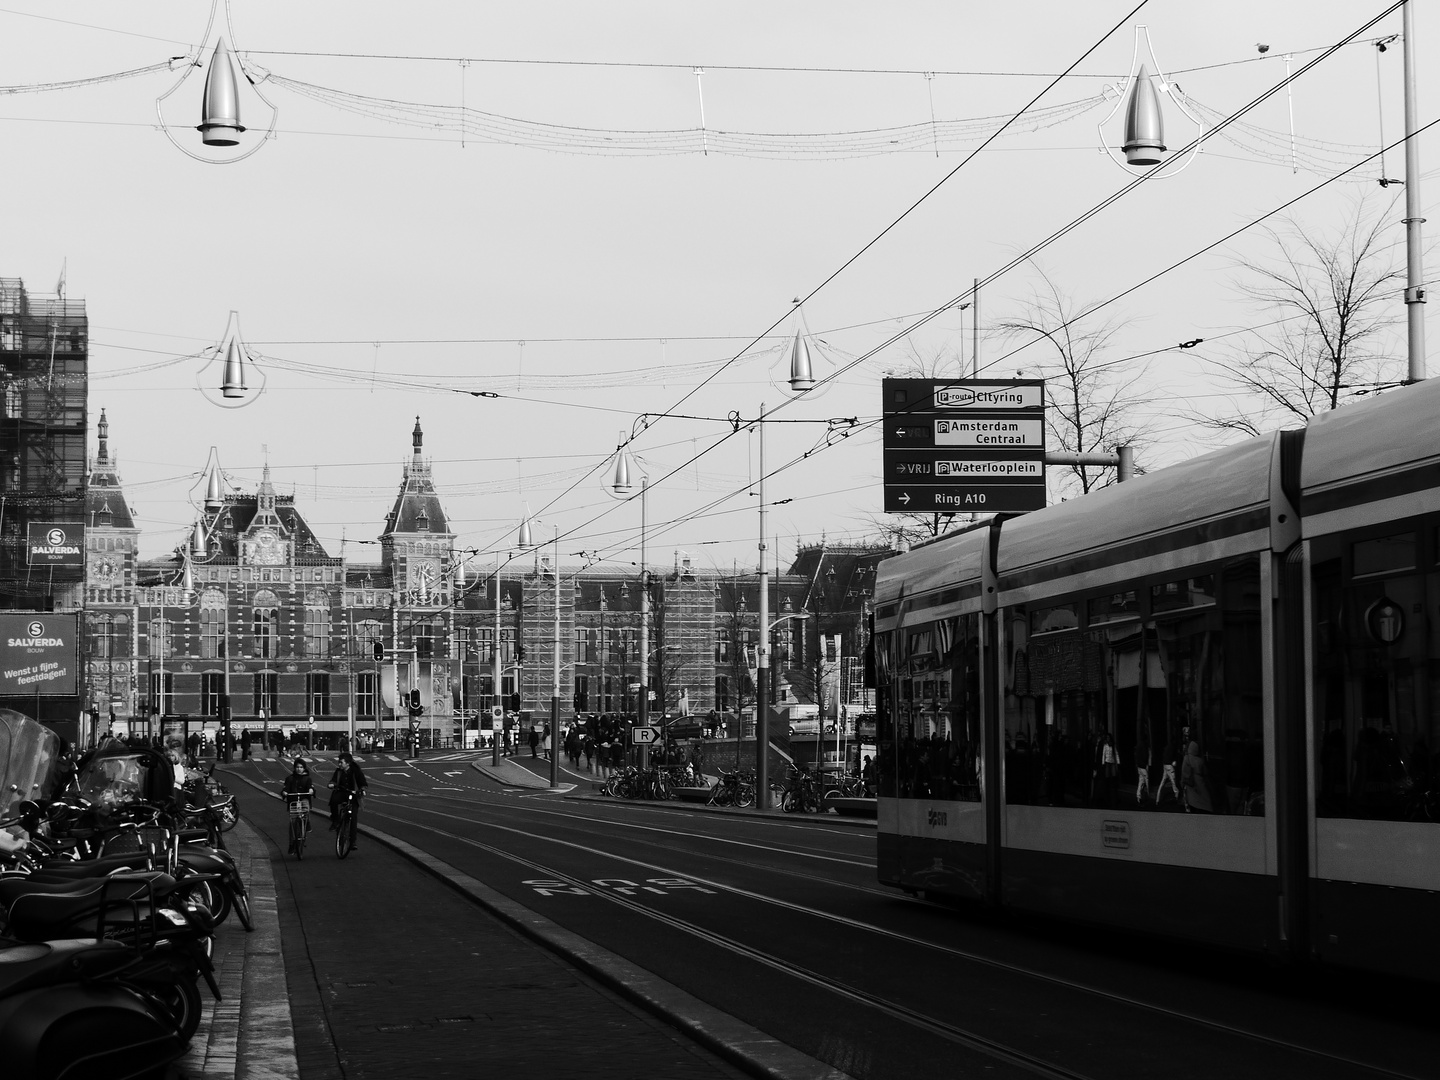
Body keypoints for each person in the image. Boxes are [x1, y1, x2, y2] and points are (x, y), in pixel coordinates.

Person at [328, 751, 368, 846]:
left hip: (353, 795)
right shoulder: (338, 771)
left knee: (353, 817)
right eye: (339, 762)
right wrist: (331, 784)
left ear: (348, 763)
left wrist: (362, 789)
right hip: (342, 792)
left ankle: (353, 841)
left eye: (341, 762)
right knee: (333, 801)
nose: (339, 764)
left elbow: (362, 782)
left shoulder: (356, 771)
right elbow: (333, 781)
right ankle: (335, 820)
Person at [282, 760, 315, 854]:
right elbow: (286, 788)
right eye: (297, 767)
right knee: (292, 822)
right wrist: (284, 792)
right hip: (293, 800)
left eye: (301, 767)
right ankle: (292, 844)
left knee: (305, 807)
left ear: (304, 768)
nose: (299, 769)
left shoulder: (307, 778)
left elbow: (311, 787)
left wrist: (311, 790)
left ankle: (307, 822)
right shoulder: (290, 778)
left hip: (303, 798)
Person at [1182, 740, 1214, 813]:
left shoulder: (1186, 758)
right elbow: (1205, 773)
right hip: (1200, 783)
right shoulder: (1200, 761)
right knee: (1205, 801)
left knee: (1192, 802)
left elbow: (1183, 773)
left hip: (1190, 784)